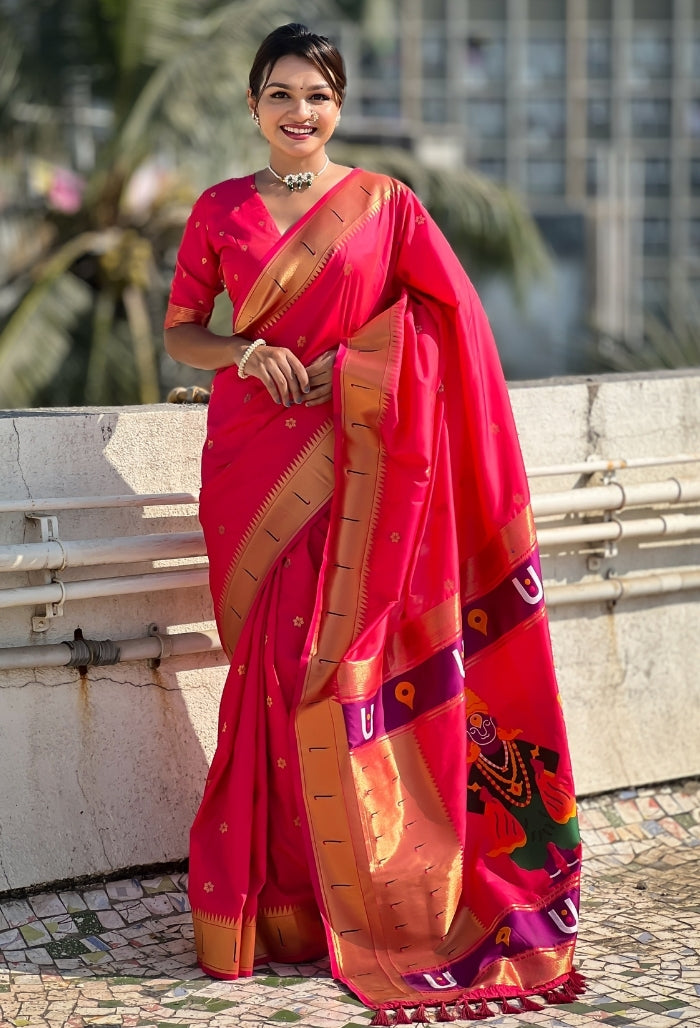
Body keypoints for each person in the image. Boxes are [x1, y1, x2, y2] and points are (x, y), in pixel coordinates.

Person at [164, 22, 584, 1023]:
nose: (297, 113)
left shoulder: (387, 208)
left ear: (338, 107)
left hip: (361, 477)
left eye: (315, 95)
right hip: (254, 471)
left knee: (339, 666)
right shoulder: (219, 209)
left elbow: (446, 325)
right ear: (253, 105)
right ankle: (271, 906)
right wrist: (242, 352)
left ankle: (361, 894)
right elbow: (182, 332)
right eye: (279, 95)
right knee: (267, 670)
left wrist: (359, 366)